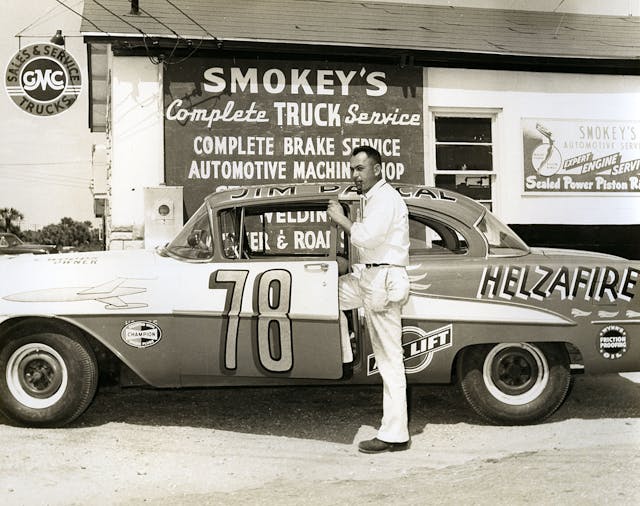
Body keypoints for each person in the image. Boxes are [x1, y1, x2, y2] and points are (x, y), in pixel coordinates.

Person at [327, 145, 411, 454]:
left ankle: (395, 434)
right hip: (369, 277)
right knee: (322, 297)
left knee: (390, 360)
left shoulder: (385, 198)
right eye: (352, 169)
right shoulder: (373, 198)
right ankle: (343, 358)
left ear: (377, 169)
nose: (355, 175)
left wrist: (340, 218)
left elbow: (366, 237)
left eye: (360, 169)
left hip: (384, 280)